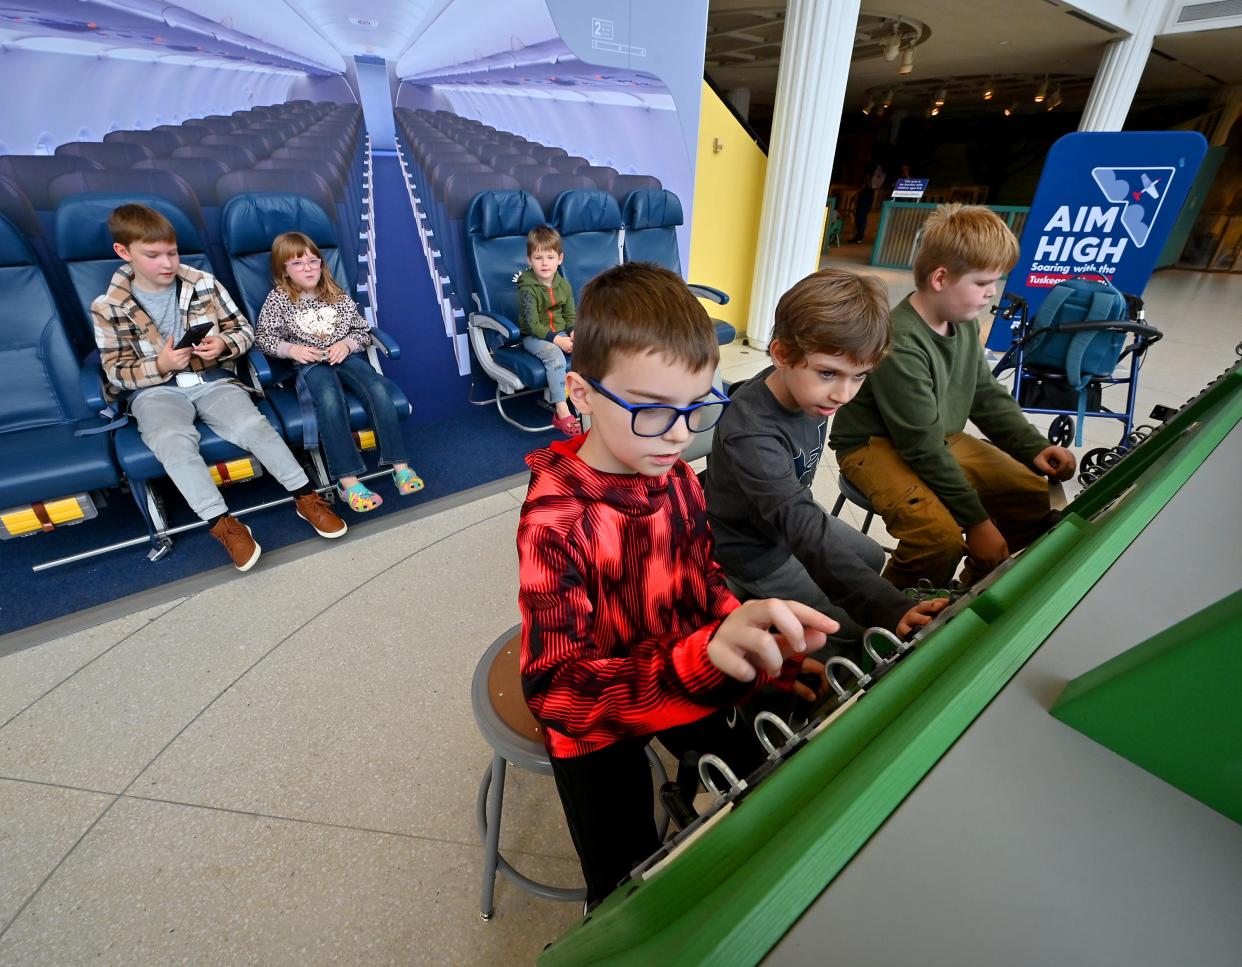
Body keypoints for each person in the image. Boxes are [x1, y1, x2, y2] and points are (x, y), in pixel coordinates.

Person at [517, 262, 837, 908]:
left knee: (770, 768)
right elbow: (556, 693)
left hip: (672, 660)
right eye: (652, 412)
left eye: (696, 409)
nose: (681, 435)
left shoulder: (679, 481)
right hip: (597, 711)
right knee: (626, 881)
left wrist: (750, 650)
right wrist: (702, 658)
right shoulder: (555, 521)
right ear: (580, 391)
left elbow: (703, 584)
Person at [829, 204, 1076, 589]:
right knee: (937, 537)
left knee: (1033, 496)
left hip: (936, 436)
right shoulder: (901, 341)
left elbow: (985, 395)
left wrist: (1032, 446)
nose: (991, 292)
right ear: (941, 278)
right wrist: (977, 522)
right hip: (873, 445)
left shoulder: (962, 325)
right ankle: (891, 621)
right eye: (982, 282)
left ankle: (971, 590)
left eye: (996, 281)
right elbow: (921, 445)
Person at [92, 204, 346, 571]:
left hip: (212, 379)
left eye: (172, 252)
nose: (167, 262)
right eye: (153, 255)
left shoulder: (203, 283)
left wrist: (225, 345)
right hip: (155, 391)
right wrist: (159, 365)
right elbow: (115, 372)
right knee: (171, 441)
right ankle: (223, 524)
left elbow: (244, 332)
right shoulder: (107, 306)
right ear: (123, 253)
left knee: (251, 425)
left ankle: (306, 498)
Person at [704, 268, 947, 650]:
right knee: (849, 630)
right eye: (829, 373)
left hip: (787, 519)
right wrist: (886, 607)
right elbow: (800, 524)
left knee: (870, 555)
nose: (844, 394)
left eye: (859, 376)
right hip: (754, 552)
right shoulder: (751, 431)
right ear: (782, 353)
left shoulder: (807, 391)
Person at [255, 231, 423, 513]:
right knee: (331, 399)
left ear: (322, 263)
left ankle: (400, 467)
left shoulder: (335, 294)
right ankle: (348, 482)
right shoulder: (279, 299)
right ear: (283, 270)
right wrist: (291, 350)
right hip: (310, 364)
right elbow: (264, 338)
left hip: (344, 357)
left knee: (378, 387)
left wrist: (346, 344)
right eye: (297, 264)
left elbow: (362, 332)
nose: (307, 268)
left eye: (312, 261)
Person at [515, 225, 579, 435]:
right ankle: (561, 411)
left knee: (590, 346)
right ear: (529, 260)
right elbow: (533, 325)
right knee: (555, 356)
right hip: (534, 337)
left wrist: (572, 333)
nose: (544, 263)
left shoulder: (564, 286)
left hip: (560, 334)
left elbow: (570, 316)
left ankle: (587, 401)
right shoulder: (527, 289)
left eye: (550, 257)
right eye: (538, 257)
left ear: (560, 259)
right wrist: (557, 341)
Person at [852, 161, 884, 245]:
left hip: (864, 196)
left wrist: (856, 194)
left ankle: (858, 237)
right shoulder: (880, 173)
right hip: (870, 197)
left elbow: (864, 185)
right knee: (863, 217)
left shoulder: (869, 173)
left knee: (859, 216)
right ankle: (859, 237)